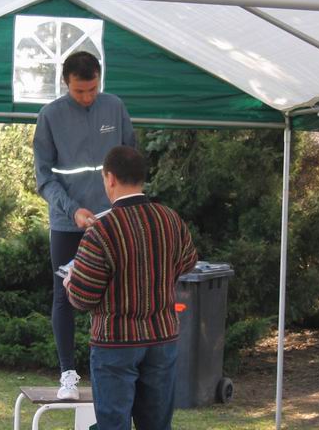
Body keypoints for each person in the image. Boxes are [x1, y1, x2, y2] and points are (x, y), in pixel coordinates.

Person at [64, 146, 197, 430]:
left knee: (113, 425)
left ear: (110, 178)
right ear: (141, 177)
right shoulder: (170, 219)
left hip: (116, 342)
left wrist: (70, 281)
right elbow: (188, 262)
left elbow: (82, 296)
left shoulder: (102, 230)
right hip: (162, 337)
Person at [33, 51, 135, 399]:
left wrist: (125, 205)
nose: (88, 97)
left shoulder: (115, 107)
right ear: (66, 83)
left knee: (116, 294)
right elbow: (44, 178)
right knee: (64, 295)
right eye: (80, 91)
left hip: (112, 222)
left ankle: (111, 371)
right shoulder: (50, 116)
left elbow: (131, 162)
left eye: (93, 89)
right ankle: (67, 375)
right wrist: (73, 209)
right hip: (68, 222)